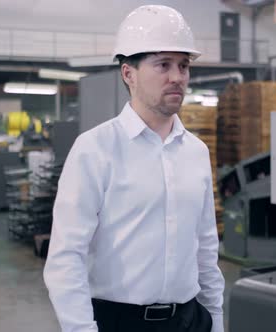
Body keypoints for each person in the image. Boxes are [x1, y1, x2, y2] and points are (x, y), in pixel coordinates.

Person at [43, 5, 225, 332]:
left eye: (183, 66)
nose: (177, 77)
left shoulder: (196, 152)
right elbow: (65, 259)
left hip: (189, 321)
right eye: (163, 65)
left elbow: (206, 249)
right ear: (129, 73)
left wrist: (215, 320)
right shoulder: (95, 150)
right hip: (119, 323)